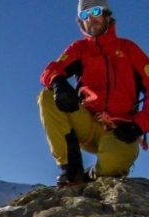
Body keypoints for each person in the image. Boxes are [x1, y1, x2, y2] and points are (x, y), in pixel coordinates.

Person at [38, 0, 149, 185]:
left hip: (121, 131)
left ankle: (93, 176)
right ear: (80, 22)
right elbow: (51, 70)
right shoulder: (80, 49)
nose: (90, 18)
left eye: (95, 11)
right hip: (88, 124)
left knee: (114, 164)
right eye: (84, 15)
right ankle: (71, 171)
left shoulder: (128, 49)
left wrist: (139, 125)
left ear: (106, 14)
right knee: (47, 97)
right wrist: (58, 82)